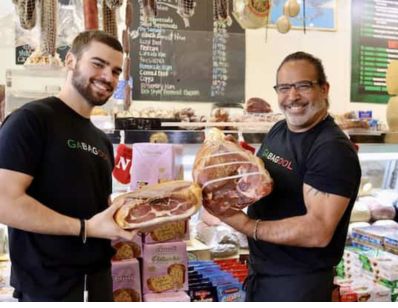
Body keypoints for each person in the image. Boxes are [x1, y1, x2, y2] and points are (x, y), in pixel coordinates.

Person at [0, 30, 136, 301]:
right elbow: (4, 201)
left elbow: (93, 206)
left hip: (97, 283)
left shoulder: (100, 139)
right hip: (47, 288)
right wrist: (86, 227)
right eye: (98, 64)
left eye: (116, 71)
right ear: (71, 61)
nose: (108, 77)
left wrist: (131, 212)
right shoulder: (32, 120)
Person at [217, 51, 362, 301]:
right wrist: (235, 158)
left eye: (303, 86)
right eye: (284, 87)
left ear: (324, 89)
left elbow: (318, 230)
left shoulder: (331, 149)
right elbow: (265, 180)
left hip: (298, 285)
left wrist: (247, 226)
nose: (292, 96)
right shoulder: (279, 128)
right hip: (263, 272)